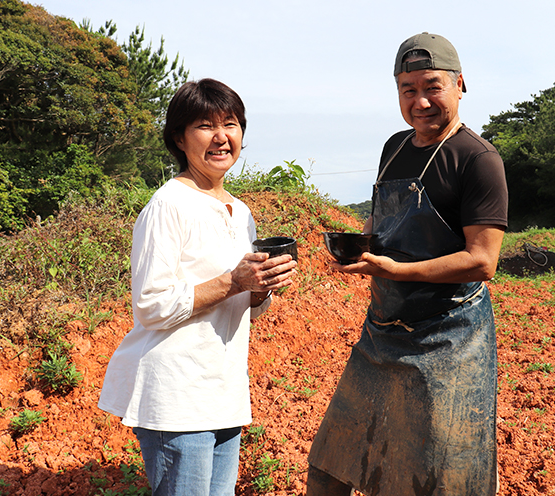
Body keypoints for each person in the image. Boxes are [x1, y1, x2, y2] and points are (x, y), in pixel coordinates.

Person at [306, 33, 508, 496]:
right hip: (383, 330)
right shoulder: (394, 147)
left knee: (439, 476)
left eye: (432, 86)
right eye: (408, 89)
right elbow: (385, 218)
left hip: (448, 339)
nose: (421, 101)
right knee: (332, 462)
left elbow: (482, 260)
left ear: (460, 85)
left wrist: (396, 272)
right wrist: (360, 244)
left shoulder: (478, 160)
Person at [98, 78, 296, 496]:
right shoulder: (168, 205)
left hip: (222, 391)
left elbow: (247, 306)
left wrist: (260, 288)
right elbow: (151, 306)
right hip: (176, 394)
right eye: (206, 126)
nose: (222, 137)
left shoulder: (241, 212)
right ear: (179, 138)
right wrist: (232, 281)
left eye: (231, 123)